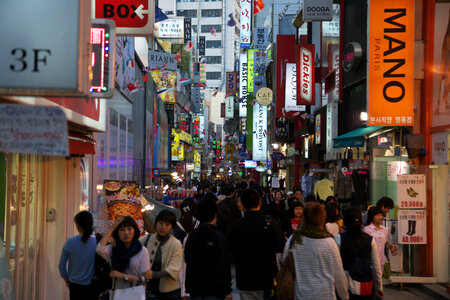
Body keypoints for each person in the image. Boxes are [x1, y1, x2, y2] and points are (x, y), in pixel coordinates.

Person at [283, 202, 349, 300]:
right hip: (326, 295)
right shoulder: (329, 243)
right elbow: (338, 274)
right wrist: (345, 296)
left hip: (301, 294)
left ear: (304, 218)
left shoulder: (294, 239)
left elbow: (284, 263)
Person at [230, 188, 285, 300]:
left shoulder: (236, 226)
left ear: (243, 205)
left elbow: (232, 251)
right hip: (267, 279)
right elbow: (281, 246)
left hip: (245, 279)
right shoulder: (269, 223)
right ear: (260, 202)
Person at [184, 199, 232, 300]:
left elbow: (187, 259)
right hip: (215, 289)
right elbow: (224, 265)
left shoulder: (191, 236)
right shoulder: (219, 237)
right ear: (215, 215)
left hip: (195, 288)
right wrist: (227, 289)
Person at [336, 207, 383, 299]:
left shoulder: (339, 238)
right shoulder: (370, 239)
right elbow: (376, 266)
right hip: (366, 285)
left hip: (345, 284)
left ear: (345, 221)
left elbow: (335, 266)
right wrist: (379, 287)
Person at [96, 216, 150, 293]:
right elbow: (99, 249)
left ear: (135, 230)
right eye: (121, 230)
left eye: (129, 229)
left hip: (134, 294)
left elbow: (145, 279)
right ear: (117, 232)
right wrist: (111, 228)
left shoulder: (142, 251)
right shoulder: (114, 248)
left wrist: (122, 276)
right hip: (117, 293)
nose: (126, 233)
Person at [141, 210, 183, 299]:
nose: (163, 227)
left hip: (170, 292)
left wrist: (153, 275)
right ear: (156, 223)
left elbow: (173, 269)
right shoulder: (147, 239)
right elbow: (133, 246)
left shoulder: (176, 244)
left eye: (167, 224)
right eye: (160, 223)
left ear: (172, 227)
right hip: (150, 289)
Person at [59, 211, 97, 300]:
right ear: (91, 224)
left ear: (78, 225)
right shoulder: (97, 242)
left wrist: (67, 282)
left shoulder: (70, 242)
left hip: (75, 287)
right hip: (92, 287)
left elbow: (61, 266)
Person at [364, 206, 398, 274]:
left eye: (381, 215)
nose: (380, 217)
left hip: (381, 261)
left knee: (379, 281)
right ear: (372, 216)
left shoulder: (384, 229)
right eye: (377, 215)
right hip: (370, 261)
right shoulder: (367, 229)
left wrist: (391, 247)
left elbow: (385, 244)